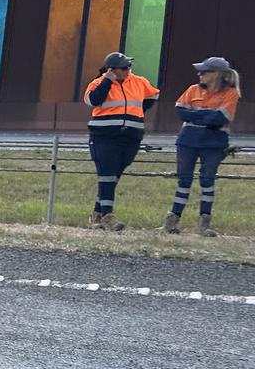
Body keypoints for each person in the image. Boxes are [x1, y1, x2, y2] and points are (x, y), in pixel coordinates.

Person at [162, 57, 240, 237]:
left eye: (205, 72)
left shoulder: (231, 93)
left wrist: (195, 114)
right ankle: (172, 220)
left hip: (214, 142)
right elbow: (181, 112)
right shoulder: (192, 89)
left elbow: (221, 118)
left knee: (207, 180)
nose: (200, 74)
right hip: (188, 140)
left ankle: (204, 222)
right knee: (184, 180)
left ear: (217, 74)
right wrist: (207, 115)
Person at [83, 52, 161, 230]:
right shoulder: (98, 83)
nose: (128, 70)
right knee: (107, 173)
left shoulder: (139, 81)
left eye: (129, 66)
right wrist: (107, 81)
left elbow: (153, 96)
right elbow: (93, 100)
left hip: (131, 136)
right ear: (112, 69)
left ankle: (97, 215)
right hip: (104, 135)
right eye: (124, 67)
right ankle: (108, 216)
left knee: (113, 175)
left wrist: (136, 112)